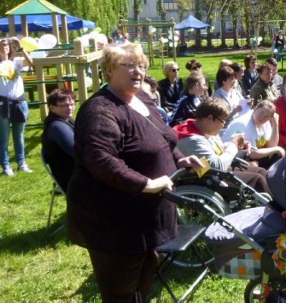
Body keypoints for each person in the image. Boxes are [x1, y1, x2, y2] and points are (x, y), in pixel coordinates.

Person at [67, 43, 201, 302]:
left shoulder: (141, 99)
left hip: (145, 218)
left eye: (141, 65)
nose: (137, 71)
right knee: (120, 290)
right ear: (108, 71)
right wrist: (146, 184)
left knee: (144, 275)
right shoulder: (100, 110)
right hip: (114, 221)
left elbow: (162, 140)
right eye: (129, 65)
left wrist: (181, 160)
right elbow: (101, 160)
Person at [174, 98, 271, 193]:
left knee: (261, 171)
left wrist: (238, 144)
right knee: (257, 180)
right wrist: (234, 144)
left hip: (220, 170)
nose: (223, 124)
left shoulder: (203, 128)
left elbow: (215, 149)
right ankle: (276, 207)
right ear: (210, 118)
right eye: (222, 121)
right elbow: (217, 166)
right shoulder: (192, 140)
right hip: (210, 178)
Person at [0, 37, 33, 176]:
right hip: (3, 104)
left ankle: (21, 163)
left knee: (19, 135)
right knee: (4, 136)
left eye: (6, 45)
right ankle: (6, 165)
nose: (4, 47)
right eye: (1, 45)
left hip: (19, 102)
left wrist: (20, 47)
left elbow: (30, 62)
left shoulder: (16, 62)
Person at [224, 100, 286, 169]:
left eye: (266, 116)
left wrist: (276, 124)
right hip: (233, 157)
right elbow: (252, 154)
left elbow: (271, 145)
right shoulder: (244, 124)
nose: (262, 117)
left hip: (250, 154)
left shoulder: (265, 123)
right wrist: (277, 149)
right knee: (256, 164)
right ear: (255, 109)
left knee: (276, 155)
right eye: (261, 113)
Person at [41, 89, 76, 190]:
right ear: (52, 108)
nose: (70, 108)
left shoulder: (67, 120)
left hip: (78, 173)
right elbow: (78, 151)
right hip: (72, 179)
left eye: (72, 104)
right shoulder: (57, 127)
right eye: (64, 105)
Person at [213, 66, 245, 130]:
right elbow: (218, 117)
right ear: (223, 81)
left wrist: (248, 103)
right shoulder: (217, 96)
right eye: (231, 79)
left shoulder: (236, 92)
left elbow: (243, 103)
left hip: (240, 125)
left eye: (234, 78)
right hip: (225, 129)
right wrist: (233, 113)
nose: (234, 81)